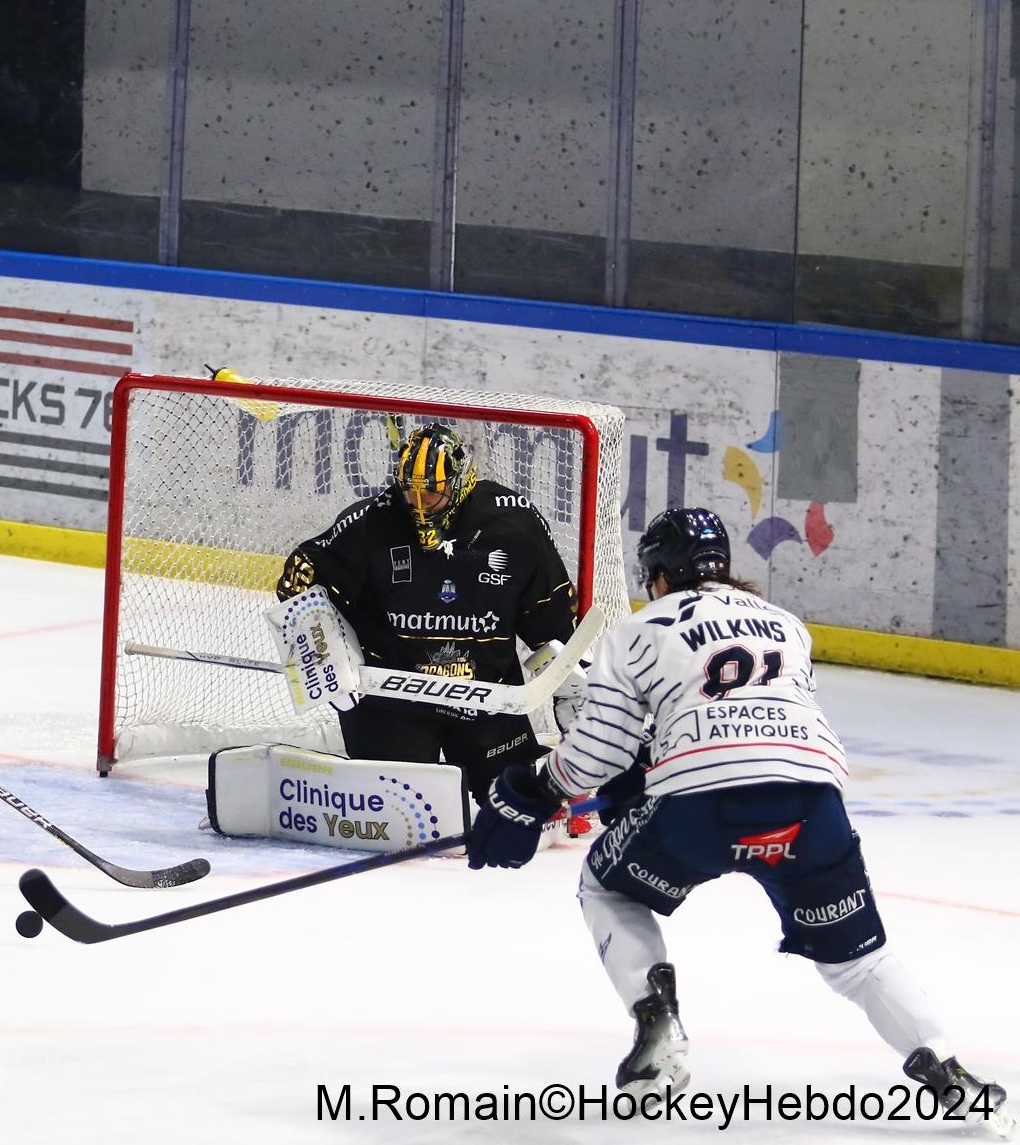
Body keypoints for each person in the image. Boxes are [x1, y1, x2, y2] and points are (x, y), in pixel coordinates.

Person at [467, 508, 1011, 1129]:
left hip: (702, 809)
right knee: (858, 960)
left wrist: (532, 791)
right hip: (810, 803)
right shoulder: (787, 626)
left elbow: (599, 754)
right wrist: (649, 771)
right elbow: (760, 722)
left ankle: (658, 1023)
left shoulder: (638, 630)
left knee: (606, 886)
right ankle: (949, 1072)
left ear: (659, 574)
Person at [275, 422, 586, 809]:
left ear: (459, 484)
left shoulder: (514, 524)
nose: (419, 505)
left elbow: (549, 615)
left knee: (514, 807)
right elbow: (299, 581)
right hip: (392, 700)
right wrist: (326, 661)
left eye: (432, 494)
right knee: (395, 812)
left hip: (486, 699)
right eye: (412, 492)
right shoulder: (373, 521)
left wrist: (570, 681)